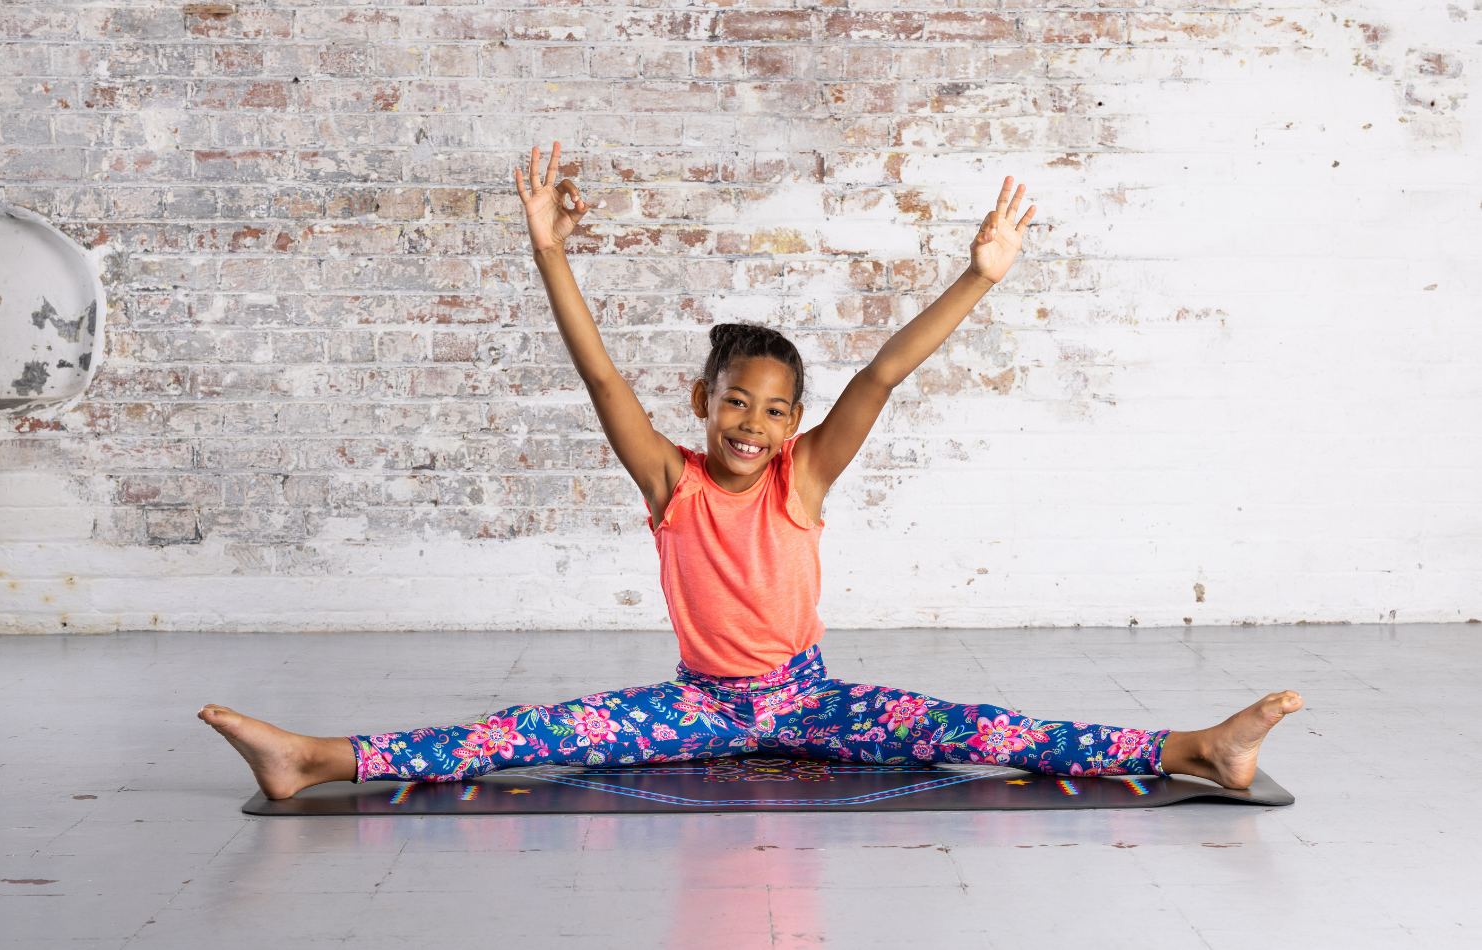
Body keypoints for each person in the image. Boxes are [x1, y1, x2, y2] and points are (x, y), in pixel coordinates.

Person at [201, 143, 1301, 800]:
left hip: (813, 695)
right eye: (735, 400)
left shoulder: (802, 480)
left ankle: (1199, 745)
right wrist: (549, 251)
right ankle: (315, 756)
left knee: (981, 725)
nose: (752, 422)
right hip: (698, 708)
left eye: (774, 410)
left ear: (791, 426)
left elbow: (881, 374)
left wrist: (980, 277)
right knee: (520, 732)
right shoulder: (671, 480)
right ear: (703, 401)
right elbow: (598, 381)